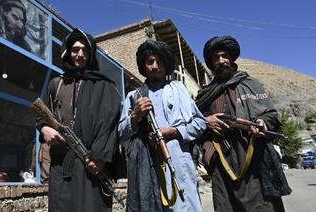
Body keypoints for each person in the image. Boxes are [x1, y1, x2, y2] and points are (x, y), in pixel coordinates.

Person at [196, 35, 291, 212]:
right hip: (223, 161)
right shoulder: (205, 94)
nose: (221, 61)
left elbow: (271, 114)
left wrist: (263, 123)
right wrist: (206, 122)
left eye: (224, 56)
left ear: (231, 58)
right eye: (216, 58)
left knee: (263, 206)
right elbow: (194, 122)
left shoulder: (251, 84)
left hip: (254, 156)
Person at [36, 28, 121, 211]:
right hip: (61, 165)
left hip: (93, 165)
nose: (80, 54)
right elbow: (41, 116)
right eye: (75, 49)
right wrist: (45, 129)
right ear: (68, 52)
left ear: (91, 54)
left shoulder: (105, 86)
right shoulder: (56, 84)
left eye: (85, 50)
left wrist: (99, 158)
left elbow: (110, 124)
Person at [118, 39, 206, 212]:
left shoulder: (178, 89)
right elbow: (121, 132)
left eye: (159, 61)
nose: (155, 66)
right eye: (150, 62)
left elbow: (200, 123)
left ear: (166, 65)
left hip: (179, 163)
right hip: (146, 167)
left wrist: (174, 131)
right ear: (144, 66)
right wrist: (135, 116)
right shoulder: (133, 96)